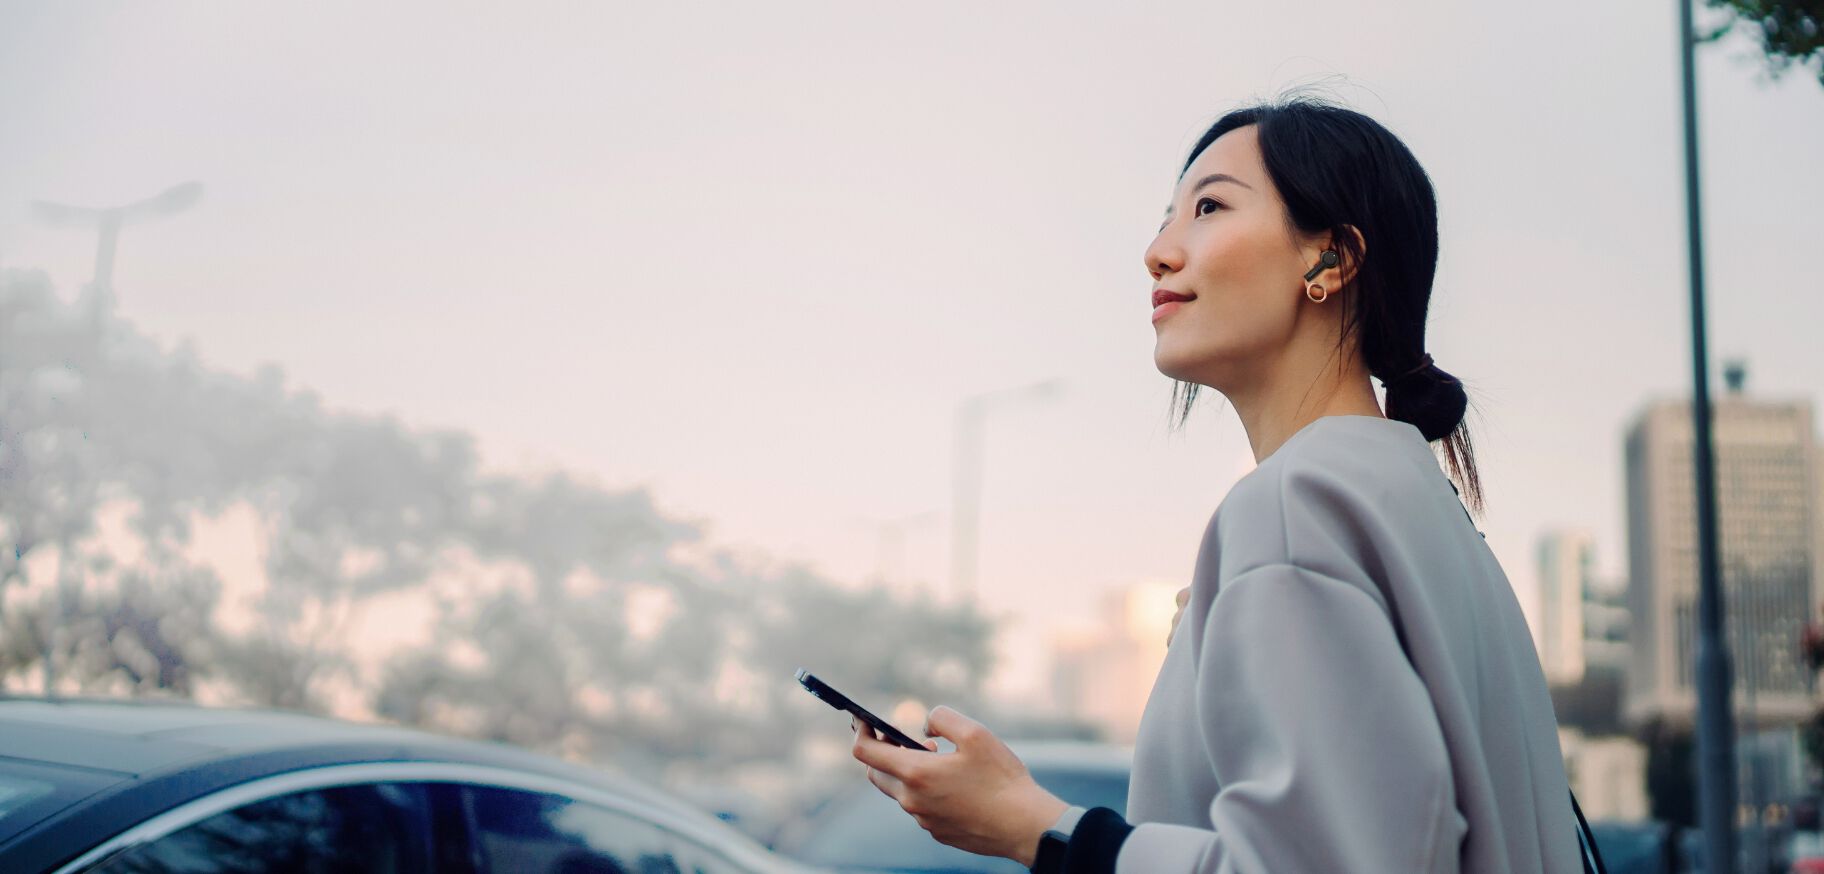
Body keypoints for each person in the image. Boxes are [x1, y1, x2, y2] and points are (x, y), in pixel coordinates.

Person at [848, 95, 1587, 873]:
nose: (1159, 251)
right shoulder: (1425, 514)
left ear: (1330, 259)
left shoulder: (1296, 510)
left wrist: (1037, 827)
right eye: (1167, 216)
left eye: (1208, 207)